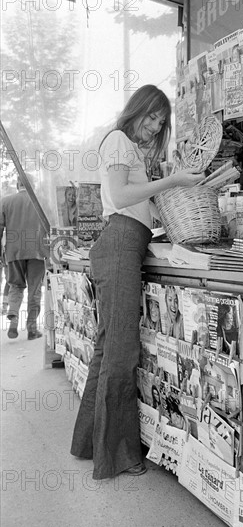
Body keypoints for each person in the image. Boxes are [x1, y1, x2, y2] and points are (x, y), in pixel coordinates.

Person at [70, 85, 204, 480]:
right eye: (151, 117)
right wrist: (173, 181)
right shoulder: (117, 141)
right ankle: (119, 455)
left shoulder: (129, 150)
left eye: (161, 122)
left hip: (127, 245)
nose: (154, 127)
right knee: (121, 354)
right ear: (136, 110)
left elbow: (131, 198)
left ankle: (88, 443)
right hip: (120, 246)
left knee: (107, 350)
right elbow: (119, 193)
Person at [0, 178, 49, 339]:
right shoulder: (41, 201)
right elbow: (51, 225)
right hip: (37, 251)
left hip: (13, 252)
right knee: (34, 290)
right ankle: (32, 329)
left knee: (15, 285)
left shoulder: (5, 201)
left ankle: (13, 316)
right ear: (32, 185)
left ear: (17, 185)